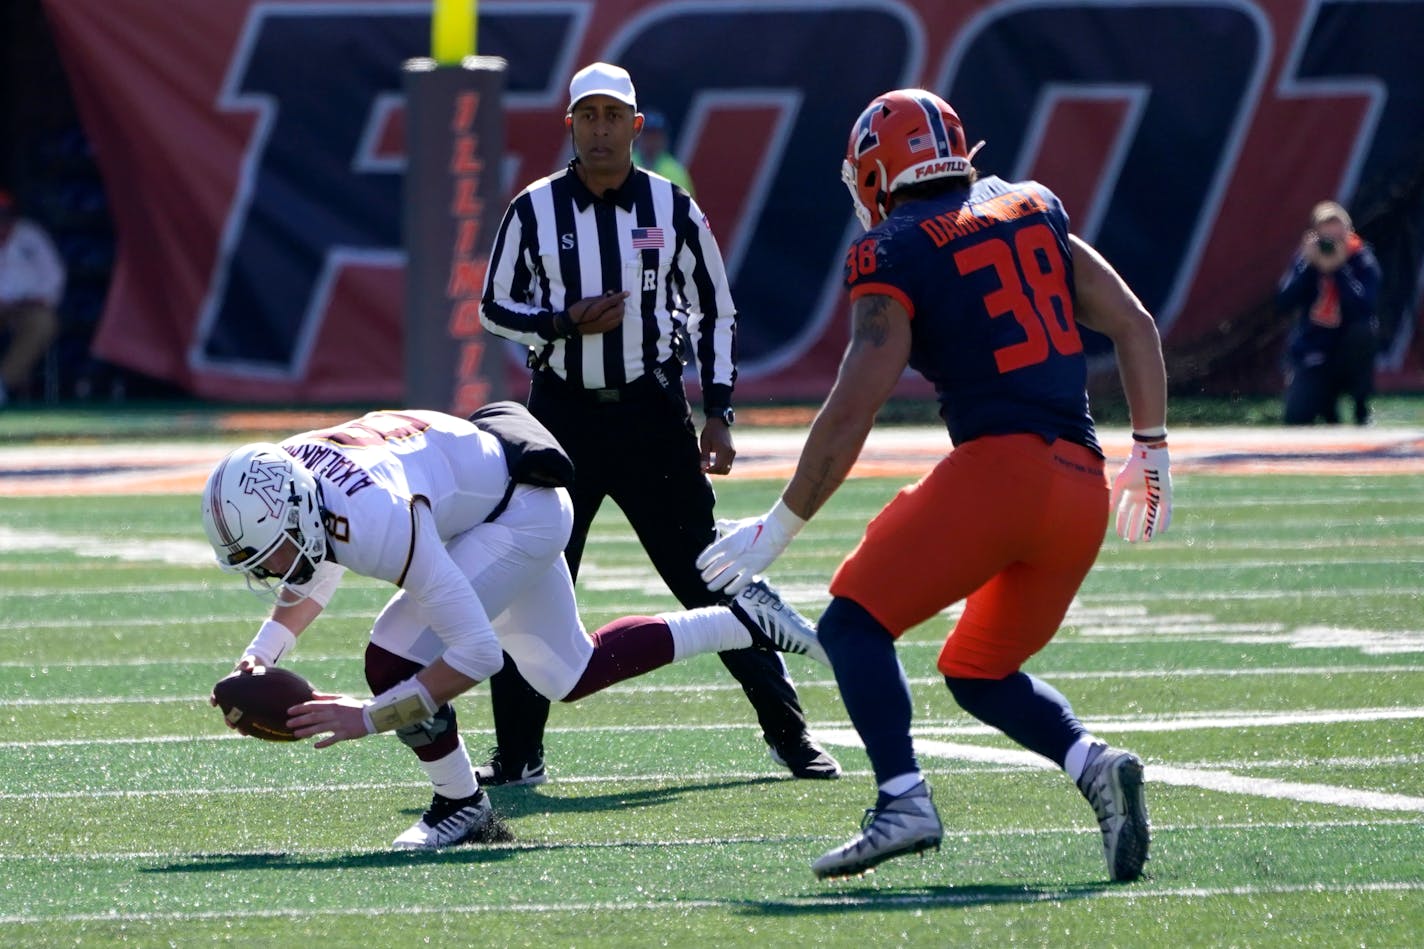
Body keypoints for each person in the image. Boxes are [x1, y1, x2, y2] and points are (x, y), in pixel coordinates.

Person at [697, 89, 1172, 882]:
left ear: (879, 173)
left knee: (850, 625)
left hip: (1003, 471)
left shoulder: (895, 248)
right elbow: (1133, 322)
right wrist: (1150, 449)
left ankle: (903, 801)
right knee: (979, 670)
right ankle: (1096, 765)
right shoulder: (1033, 208)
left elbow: (856, 401)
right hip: (1081, 484)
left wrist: (779, 525)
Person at [200, 405, 827, 850]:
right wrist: (260, 655)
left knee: (392, 662)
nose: (271, 567)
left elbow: (476, 657)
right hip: (494, 500)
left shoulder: (377, 518)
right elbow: (320, 560)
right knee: (567, 672)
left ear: (296, 509)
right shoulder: (302, 481)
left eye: (272, 551)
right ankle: (742, 620)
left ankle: (461, 805)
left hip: (514, 515)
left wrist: (365, 717)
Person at [479, 61, 839, 785]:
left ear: (636, 126)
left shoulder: (673, 208)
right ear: (571, 126)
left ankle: (789, 733)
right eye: (589, 117)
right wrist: (561, 322)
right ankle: (517, 754)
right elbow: (492, 306)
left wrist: (721, 411)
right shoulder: (533, 209)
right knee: (531, 579)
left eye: (615, 117)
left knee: (707, 575)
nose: (602, 129)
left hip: (651, 415)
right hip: (561, 423)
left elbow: (717, 309)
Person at [1277, 200, 1381, 425]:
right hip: (1316, 351)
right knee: (1296, 418)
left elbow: (1364, 307)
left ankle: (1361, 408)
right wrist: (1309, 265)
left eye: (1337, 238)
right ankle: (1326, 407)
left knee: (1365, 332)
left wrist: (1339, 269)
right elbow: (1283, 302)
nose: (1331, 245)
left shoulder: (1361, 259)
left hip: (1347, 353)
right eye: (1327, 239)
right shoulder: (1306, 260)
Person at [0, 189, 65, 406]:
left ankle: (2, 384)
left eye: (5, 215)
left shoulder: (30, 235)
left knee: (44, 322)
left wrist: (40, 298)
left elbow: (54, 275)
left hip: (24, 306)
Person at [633, 110, 694, 195]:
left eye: (655, 136)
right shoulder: (623, 165)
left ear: (664, 139)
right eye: (647, 135)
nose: (651, 141)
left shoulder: (676, 171)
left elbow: (686, 205)